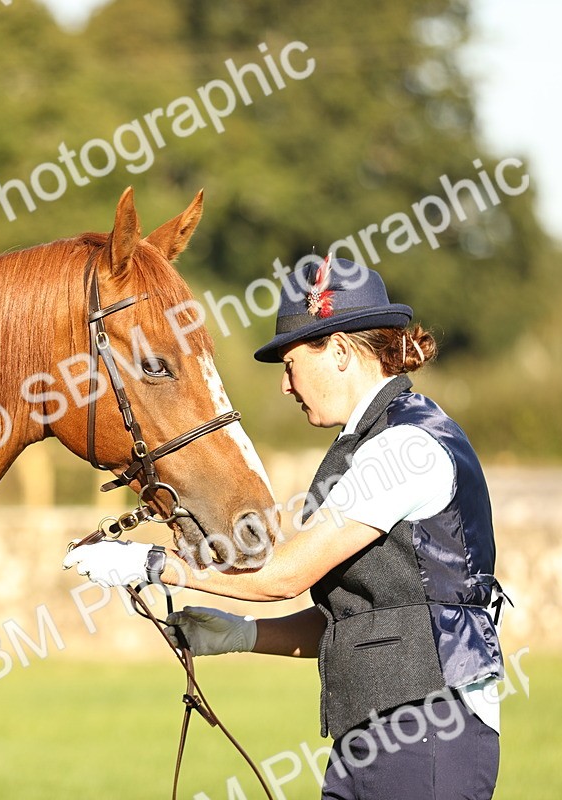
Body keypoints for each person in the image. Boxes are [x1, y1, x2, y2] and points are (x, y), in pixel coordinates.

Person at [63, 255, 507, 800]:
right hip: (373, 735)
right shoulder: (375, 441)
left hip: (431, 732)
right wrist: (242, 634)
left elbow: (284, 578)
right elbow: (361, 624)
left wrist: (156, 566)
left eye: (290, 363)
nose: (285, 386)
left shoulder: (405, 449)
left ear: (339, 351)